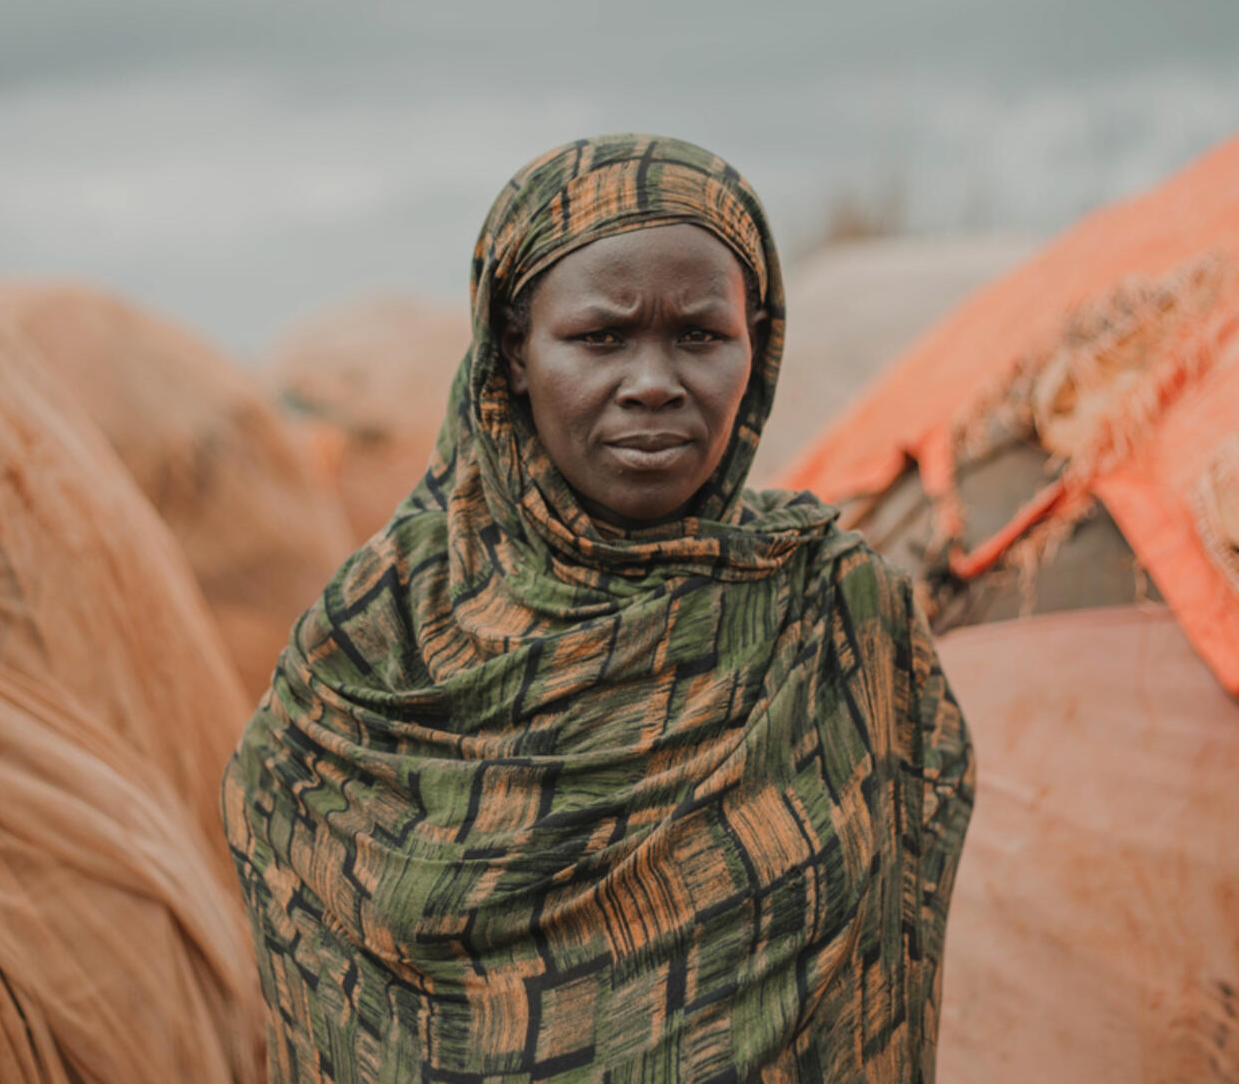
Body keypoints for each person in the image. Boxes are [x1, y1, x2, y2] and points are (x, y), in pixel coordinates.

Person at [222, 134, 975, 1082]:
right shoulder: (380, 637)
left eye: (700, 336)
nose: (654, 384)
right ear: (514, 353)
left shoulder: (834, 608)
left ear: (757, 345)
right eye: (601, 339)